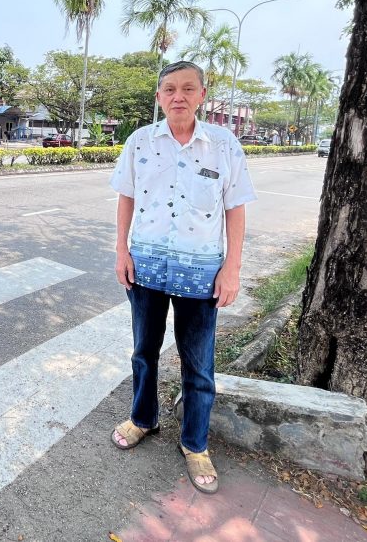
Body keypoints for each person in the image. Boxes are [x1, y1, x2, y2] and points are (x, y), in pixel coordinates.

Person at [109, 61, 256, 495]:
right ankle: (143, 418)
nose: (178, 96)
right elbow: (126, 199)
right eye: (169, 89)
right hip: (147, 268)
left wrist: (232, 269)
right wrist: (121, 252)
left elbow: (236, 208)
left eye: (187, 89)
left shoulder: (224, 146)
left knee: (199, 363)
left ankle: (195, 444)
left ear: (201, 96)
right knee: (144, 352)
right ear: (159, 97)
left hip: (200, 274)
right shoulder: (140, 142)